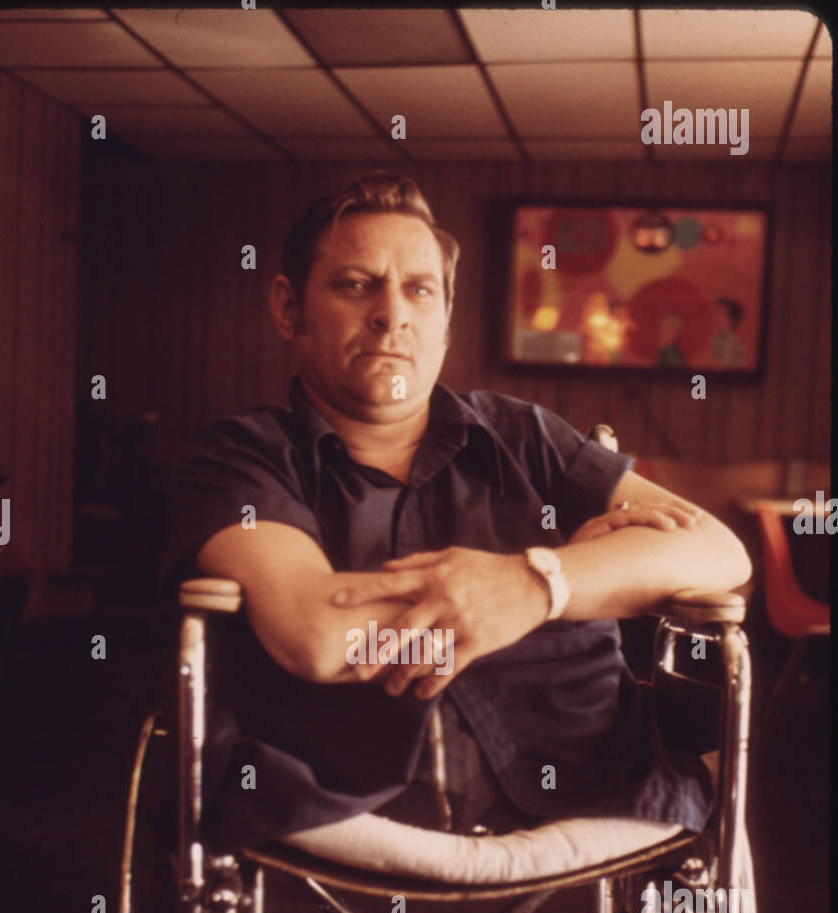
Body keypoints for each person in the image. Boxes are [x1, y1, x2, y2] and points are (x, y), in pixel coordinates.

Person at [158, 173, 751, 852]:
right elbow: (321, 634)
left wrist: (538, 581)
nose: (391, 314)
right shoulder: (239, 455)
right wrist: (576, 582)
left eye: (419, 290)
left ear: (445, 317)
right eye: (355, 284)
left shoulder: (526, 436)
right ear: (289, 308)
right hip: (341, 790)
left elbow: (719, 550)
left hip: (590, 772)